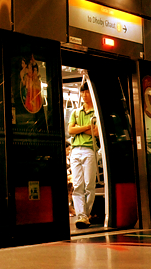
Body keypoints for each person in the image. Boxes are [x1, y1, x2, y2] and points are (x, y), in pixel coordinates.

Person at [68, 83, 98, 229]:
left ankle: (85, 214)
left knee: (89, 184)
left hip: (89, 150)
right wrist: (88, 127)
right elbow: (70, 130)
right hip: (75, 150)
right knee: (78, 185)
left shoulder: (96, 113)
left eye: (86, 92)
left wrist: (79, 129)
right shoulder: (76, 112)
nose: (84, 95)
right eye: (82, 92)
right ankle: (82, 215)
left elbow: (97, 132)